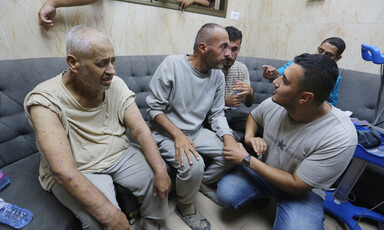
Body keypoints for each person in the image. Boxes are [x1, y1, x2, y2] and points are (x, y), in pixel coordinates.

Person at [24, 25, 171, 230]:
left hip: (118, 153)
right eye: (102, 63)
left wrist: (161, 170)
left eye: (113, 61)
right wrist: (111, 215)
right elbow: (63, 171)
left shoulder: (116, 84)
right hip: (79, 167)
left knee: (154, 179)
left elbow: (140, 129)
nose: (112, 70)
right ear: (73, 62)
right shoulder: (43, 100)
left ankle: (151, 221)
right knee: (98, 221)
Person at [216, 53, 357, 229]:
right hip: (263, 172)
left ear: (304, 98)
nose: (276, 82)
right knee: (225, 194)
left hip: (303, 192)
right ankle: (261, 196)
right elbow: (254, 115)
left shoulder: (340, 136)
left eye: (285, 81)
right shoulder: (276, 102)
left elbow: (297, 185)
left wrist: (246, 159)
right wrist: (249, 136)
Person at [146, 23, 238, 230]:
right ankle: (185, 205)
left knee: (232, 153)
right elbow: (154, 110)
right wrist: (178, 135)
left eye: (231, 48)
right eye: (223, 47)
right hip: (166, 134)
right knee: (194, 165)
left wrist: (228, 137)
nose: (228, 54)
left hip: (195, 132)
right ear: (203, 48)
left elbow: (216, 113)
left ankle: (200, 183)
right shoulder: (172, 64)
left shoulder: (218, 75)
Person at [262, 37, 346, 106]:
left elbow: (331, 103)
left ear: (337, 58)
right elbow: (279, 75)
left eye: (328, 55)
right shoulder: (300, 62)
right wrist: (272, 73)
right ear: (317, 48)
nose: (321, 56)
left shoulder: (334, 77)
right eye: (320, 50)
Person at [222, 26, 254, 141]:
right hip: (213, 115)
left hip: (232, 114)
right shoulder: (211, 67)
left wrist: (250, 93)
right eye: (225, 48)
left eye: (234, 49)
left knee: (258, 125)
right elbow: (199, 106)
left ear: (239, 49)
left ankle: (249, 158)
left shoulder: (242, 68)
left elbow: (248, 104)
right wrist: (224, 101)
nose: (229, 54)